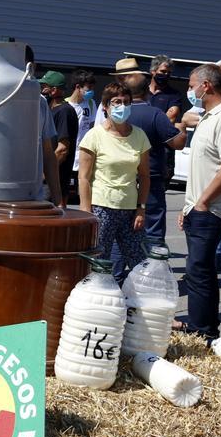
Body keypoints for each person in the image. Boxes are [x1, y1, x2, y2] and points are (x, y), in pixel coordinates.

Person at [179, 63, 221, 340]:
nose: (189, 91)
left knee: (200, 271)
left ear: (206, 86)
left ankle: (204, 331)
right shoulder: (207, 117)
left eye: (192, 85)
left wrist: (203, 202)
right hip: (198, 208)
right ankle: (200, 326)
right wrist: (189, 207)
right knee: (197, 271)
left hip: (211, 208)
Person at [77, 82, 151, 281]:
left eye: (126, 102)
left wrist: (141, 208)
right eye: (116, 102)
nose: (122, 106)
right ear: (105, 107)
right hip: (102, 206)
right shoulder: (94, 136)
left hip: (129, 209)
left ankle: (137, 304)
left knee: (139, 261)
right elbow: (83, 177)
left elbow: (144, 175)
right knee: (99, 263)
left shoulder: (139, 135)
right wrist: (86, 211)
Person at [114, 59, 185, 244]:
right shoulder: (155, 114)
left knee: (120, 229)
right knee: (152, 226)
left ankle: (117, 272)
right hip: (151, 176)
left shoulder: (114, 114)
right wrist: (182, 127)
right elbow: (177, 143)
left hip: (120, 177)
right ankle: (151, 270)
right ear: (147, 91)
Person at [42, 71, 77, 201]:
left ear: (54, 90)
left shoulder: (64, 111)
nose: (41, 90)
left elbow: (62, 149)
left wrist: (44, 174)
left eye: (44, 87)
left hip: (54, 183)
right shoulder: (49, 109)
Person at [66, 69, 97, 180]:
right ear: (78, 87)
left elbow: (93, 127)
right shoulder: (66, 106)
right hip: (68, 156)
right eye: (89, 88)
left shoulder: (91, 103)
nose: (92, 91)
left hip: (84, 155)